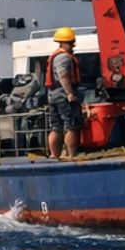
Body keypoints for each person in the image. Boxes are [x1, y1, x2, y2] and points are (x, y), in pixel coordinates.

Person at [44, 27, 83, 160]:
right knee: (70, 125)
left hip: (53, 95)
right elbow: (63, 76)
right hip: (63, 95)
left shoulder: (55, 55)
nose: (73, 45)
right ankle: (72, 155)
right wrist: (70, 94)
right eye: (72, 42)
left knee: (56, 126)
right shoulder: (64, 57)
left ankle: (54, 155)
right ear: (67, 42)